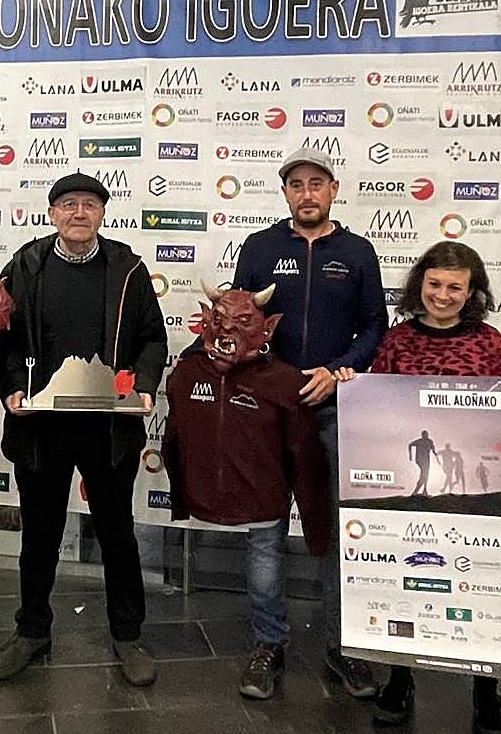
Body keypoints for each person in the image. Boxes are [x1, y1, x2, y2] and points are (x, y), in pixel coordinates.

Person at [337, 240, 501, 733]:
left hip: (473, 493)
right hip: (413, 488)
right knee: (408, 581)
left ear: (471, 292)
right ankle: (401, 678)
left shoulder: (489, 342)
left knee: (485, 587)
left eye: (455, 288)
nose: (443, 295)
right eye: (435, 284)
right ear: (421, 283)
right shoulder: (396, 340)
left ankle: (488, 690)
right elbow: (379, 409)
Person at [0, 172, 167, 688]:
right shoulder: (23, 266)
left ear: (103, 213)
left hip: (108, 429)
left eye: (89, 204)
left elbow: (153, 339)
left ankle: (128, 634)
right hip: (41, 428)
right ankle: (32, 631)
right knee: (40, 536)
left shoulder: (128, 270)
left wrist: (148, 387)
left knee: (117, 534)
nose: (78, 213)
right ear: (52, 214)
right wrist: (7, 392)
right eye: (68, 205)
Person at [231, 145, 387, 697]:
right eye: (296, 185)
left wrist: (338, 369)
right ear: (285, 193)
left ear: (333, 189)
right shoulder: (260, 247)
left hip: (333, 409)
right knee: (265, 533)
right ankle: (268, 646)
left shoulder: (358, 251)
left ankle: (342, 648)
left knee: (337, 534)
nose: (307, 193)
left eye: (316, 183)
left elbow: (375, 327)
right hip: (268, 411)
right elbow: (240, 322)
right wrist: (266, 377)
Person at [163, 282, 331, 700]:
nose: (228, 332)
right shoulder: (187, 373)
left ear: (267, 328)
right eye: (219, 321)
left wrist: (314, 518)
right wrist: (181, 489)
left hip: (263, 496)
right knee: (263, 561)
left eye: (243, 322)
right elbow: (174, 436)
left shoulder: (285, 381)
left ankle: (269, 644)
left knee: (265, 562)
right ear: (205, 324)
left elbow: (304, 456)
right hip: (210, 491)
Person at [407, 431, 435, 497]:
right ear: (422, 435)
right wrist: (410, 454)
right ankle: (419, 490)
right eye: (423, 435)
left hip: (427, 460)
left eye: (426, 435)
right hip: (420, 460)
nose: (425, 436)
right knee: (424, 473)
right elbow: (410, 444)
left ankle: (424, 490)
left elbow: (433, 448)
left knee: (425, 474)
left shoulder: (430, 441)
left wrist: (435, 453)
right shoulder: (419, 441)